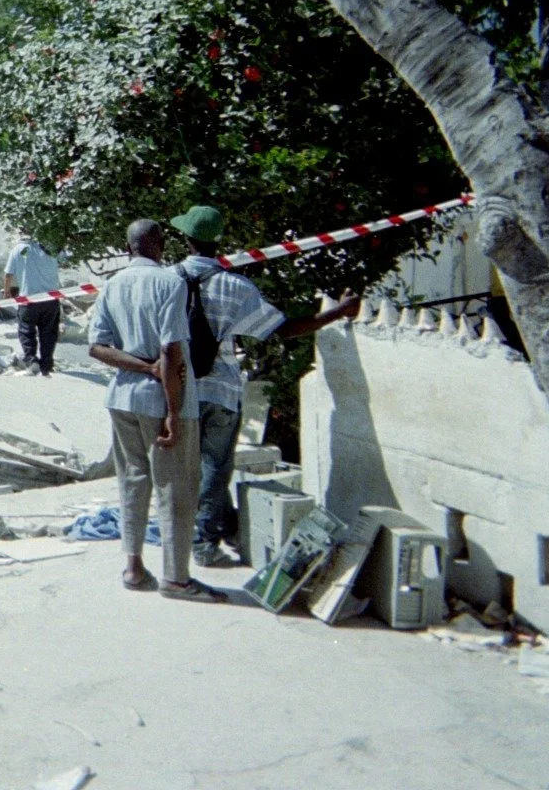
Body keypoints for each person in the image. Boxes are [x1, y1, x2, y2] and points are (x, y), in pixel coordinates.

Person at [168, 204, 359, 567]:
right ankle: (205, 541)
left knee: (189, 466)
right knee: (215, 466)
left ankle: (221, 528)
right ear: (217, 241)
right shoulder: (236, 287)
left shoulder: (167, 280)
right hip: (221, 389)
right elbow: (284, 329)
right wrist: (339, 311)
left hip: (175, 388)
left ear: (186, 239)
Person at [88, 219, 225, 603]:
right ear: (160, 245)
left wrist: (139, 367)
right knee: (176, 487)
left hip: (122, 398)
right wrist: (173, 410)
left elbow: (97, 347)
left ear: (128, 246)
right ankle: (176, 579)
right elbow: (172, 351)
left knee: (132, 481)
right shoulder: (170, 282)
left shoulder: (113, 285)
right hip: (160, 400)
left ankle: (133, 566)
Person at [3, 234, 63, 375]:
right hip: (51, 299)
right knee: (49, 332)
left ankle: (31, 360)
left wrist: (7, 292)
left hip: (28, 299)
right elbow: (64, 260)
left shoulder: (17, 250)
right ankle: (47, 363)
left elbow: (8, 273)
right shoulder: (49, 248)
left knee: (26, 331)